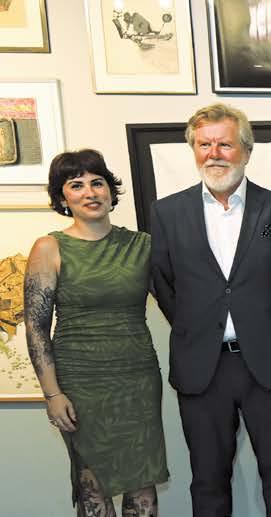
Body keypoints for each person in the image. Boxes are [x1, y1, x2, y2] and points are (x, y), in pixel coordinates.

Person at [149, 103, 271, 517]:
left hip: (268, 364)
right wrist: (200, 326)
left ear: (246, 151)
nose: (214, 154)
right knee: (208, 479)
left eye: (225, 144)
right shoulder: (167, 212)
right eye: (204, 145)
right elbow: (163, 284)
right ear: (193, 150)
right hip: (202, 366)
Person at [24, 149, 168, 516]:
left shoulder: (142, 245)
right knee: (93, 484)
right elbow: (37, 328)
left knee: (143, 480)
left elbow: (180, 303)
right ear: (62, 198)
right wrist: (52, 394)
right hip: (79, 382)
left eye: (97, 182)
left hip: (137, 379)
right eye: (77, 185)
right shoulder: (49, 247)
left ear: (110, 191)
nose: (90, 192)